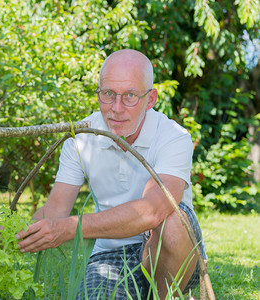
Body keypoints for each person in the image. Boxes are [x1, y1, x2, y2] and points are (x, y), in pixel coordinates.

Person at [15, 49, 207, 299]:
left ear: (150, 99)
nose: (116, 108)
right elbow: (55, 209)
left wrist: (71, 228)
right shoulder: (80, 138)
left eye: (129, 96)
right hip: (111, 256)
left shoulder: (173, 136)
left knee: (172, 219)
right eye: (108, 94)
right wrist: (9, 233)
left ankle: (168, 296)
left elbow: (152, 211)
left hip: (176, 251)